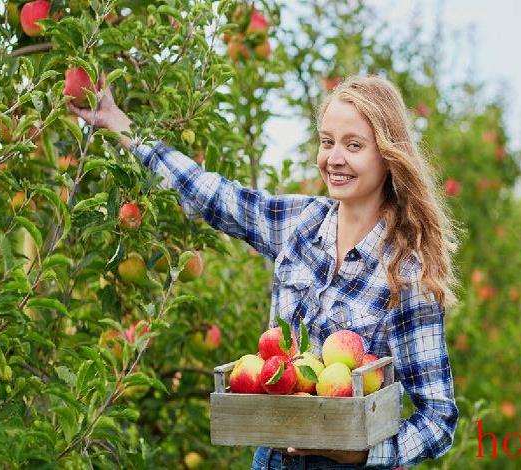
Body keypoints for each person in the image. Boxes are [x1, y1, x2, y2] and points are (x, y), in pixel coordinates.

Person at [68, 74, 460, 469]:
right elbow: (211, 194)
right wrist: (120, 124)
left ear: (388, 154)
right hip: (271, 458)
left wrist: (362, 453)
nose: (335, 158)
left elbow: (437, 420)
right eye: (327, 142)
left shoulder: (405, 275)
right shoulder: (300, 224)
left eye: (353, 145)